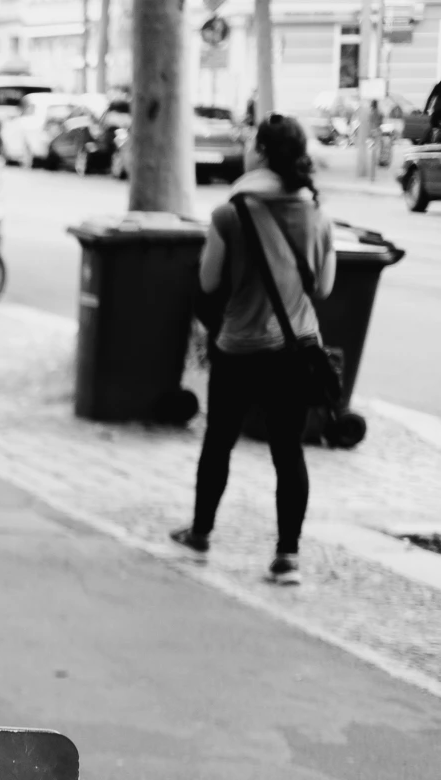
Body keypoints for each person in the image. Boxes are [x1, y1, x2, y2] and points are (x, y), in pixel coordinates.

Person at [174, 115, 334, 587]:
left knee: (219, 442)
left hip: (239, 349)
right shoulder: (318, 214)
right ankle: (287, 556)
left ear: (261, 152)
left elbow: (208, 281)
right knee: (288, 452)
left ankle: (201, 532)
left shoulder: (230, 214)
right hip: (295, 351)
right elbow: (323, 288)